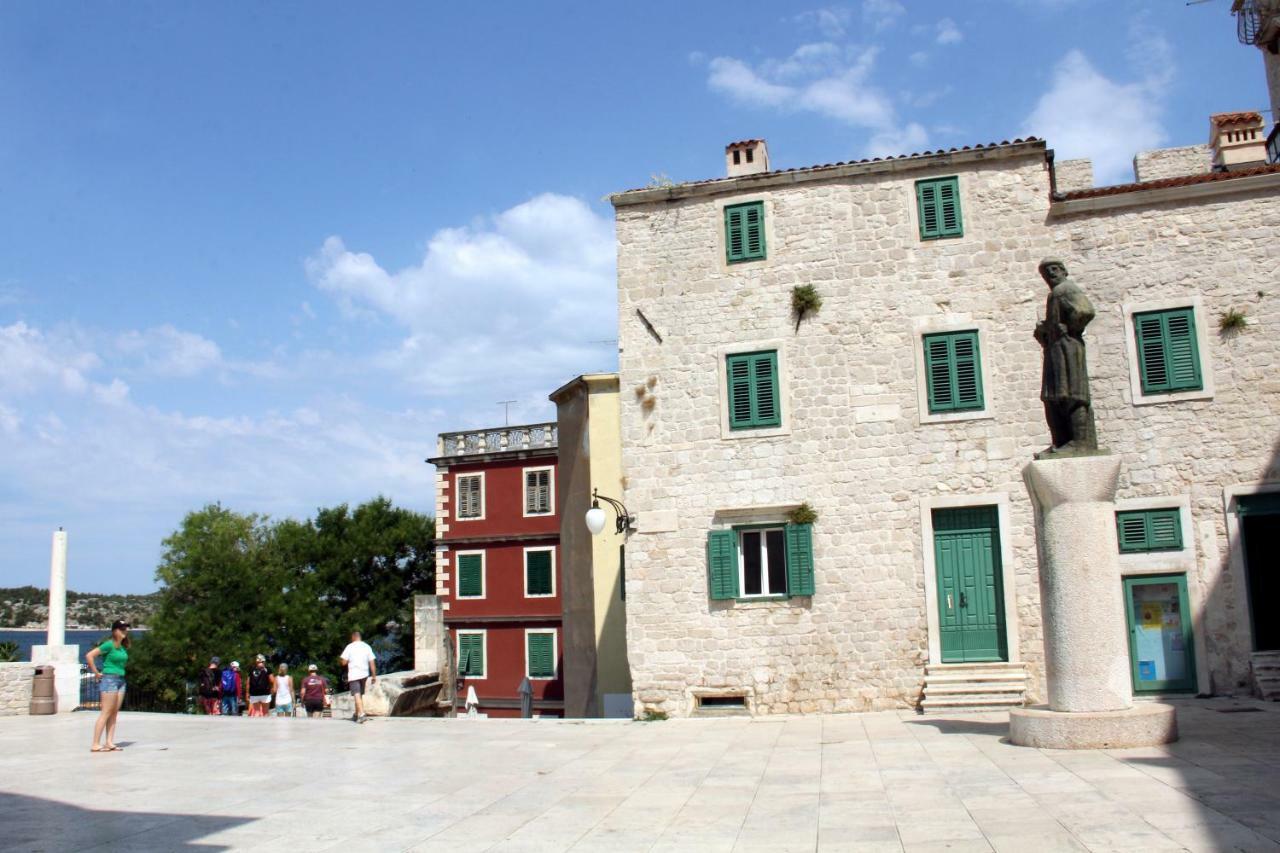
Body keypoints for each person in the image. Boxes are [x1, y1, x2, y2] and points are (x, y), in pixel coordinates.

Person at [1034, 258, 1098, 454]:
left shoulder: (1067, 289)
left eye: (1054, 269)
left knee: (1071, 393)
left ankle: (1079, 442)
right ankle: (1061, 442)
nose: (1051, 274)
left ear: (1063, 271)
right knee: (1052, 396)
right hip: (1055, 349)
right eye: (1046, 272)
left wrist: (1070, 326)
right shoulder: (1055, 294)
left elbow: (1086, 311)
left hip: (1068, 348)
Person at [85, 620, 130, 753]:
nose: (125, 632)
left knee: (114, 712)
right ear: (115, 631)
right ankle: (95, 743)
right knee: (106, 712)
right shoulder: (108, 645)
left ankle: (109, 742)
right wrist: (96, 672)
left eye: (126, 629)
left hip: (120, 680)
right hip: (110, 679)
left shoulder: (122, 647)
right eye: (122, 629)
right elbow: (89, 656)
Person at [339, 630, 377, 723]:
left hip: (354, 674)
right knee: (359, 694)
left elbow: (343, 662)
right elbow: (372, 662)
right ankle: (356, 714)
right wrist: (374, 676)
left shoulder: (350, 647)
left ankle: (362, 714)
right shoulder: (367, 646)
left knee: (356, 694)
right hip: (364, 674)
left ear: (353, 637)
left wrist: (344, 661)